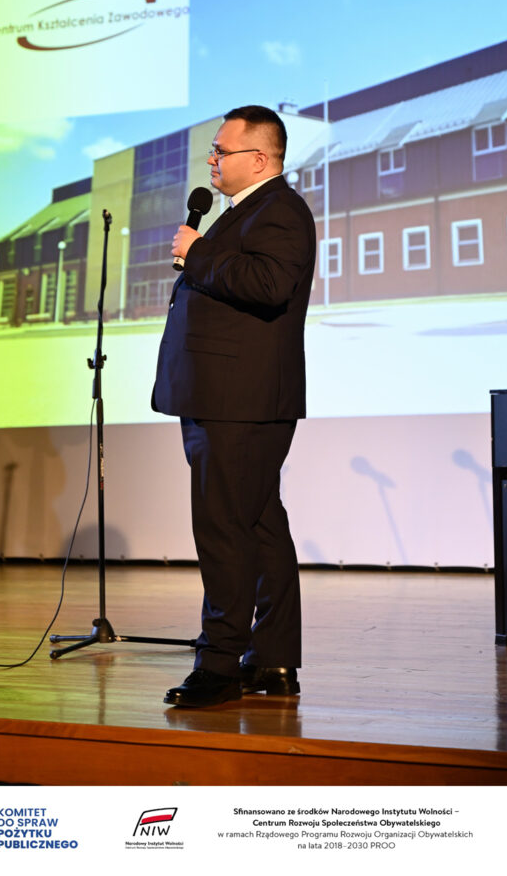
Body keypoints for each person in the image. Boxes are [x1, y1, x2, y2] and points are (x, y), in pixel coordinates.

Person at [152, 104, 316, 708]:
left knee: (224, 530)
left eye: (222, 150)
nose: (212, 159)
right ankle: (272, 661)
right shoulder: (245, 212)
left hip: (239, 402)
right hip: (226, 397)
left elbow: (269, 286)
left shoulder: (280, 211)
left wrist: (197, 253)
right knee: (258, 528)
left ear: (260, 158)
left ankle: (219, 666)